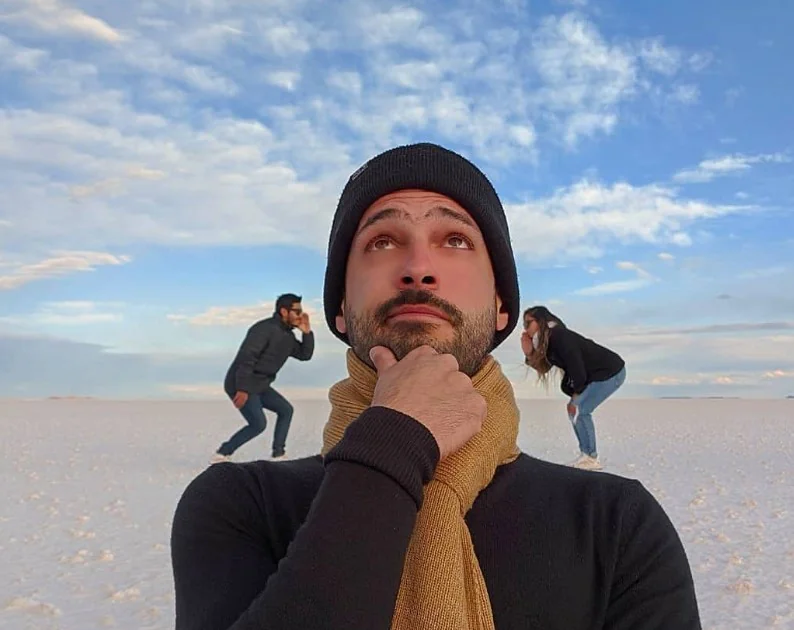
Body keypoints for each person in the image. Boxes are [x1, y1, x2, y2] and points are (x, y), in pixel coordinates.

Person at [171, 143, 701, 629]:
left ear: (500, 308)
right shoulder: (240, 507)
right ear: (339, 309)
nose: (418, 268)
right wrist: (394, 443)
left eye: (455, 240)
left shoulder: (615, 525)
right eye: (382, 241)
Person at [211, 293, 314, 463]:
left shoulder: (288, 337)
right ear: (284, 311)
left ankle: (278, 455)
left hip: (260, 385)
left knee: (286, 410)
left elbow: (305, 354)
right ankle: (222, 453)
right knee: (258, 424)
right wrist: (242, 389)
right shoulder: (263, 329)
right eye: (297, 311)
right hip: (239, 382)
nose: (300, 315)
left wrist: (307, 333)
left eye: (301, 311)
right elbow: (247, 358)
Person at [522, 306, 626, 471]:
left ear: (540, 320)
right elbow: (544, 368)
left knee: (579, 408)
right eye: (524, 324)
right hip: (597, 374)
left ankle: (591, 457)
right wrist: (529, 353)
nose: (525, 328)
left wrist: (577, 395)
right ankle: (587, 455)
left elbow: (575, 365)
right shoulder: (546, 341)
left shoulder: (558, 336)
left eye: (528, 323)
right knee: (575, 410)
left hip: (611, 371)